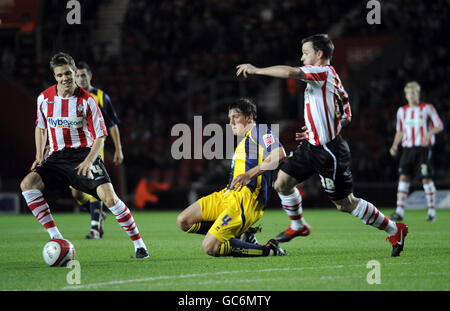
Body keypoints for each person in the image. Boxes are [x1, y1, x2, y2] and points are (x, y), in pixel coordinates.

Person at [236, 34, 408, 257]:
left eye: (306, 53)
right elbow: (346, 114)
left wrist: (256, 69)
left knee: (345, 203)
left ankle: (395, 229)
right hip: (311, 145)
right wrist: (317, 127)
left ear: (319, 55)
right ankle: (298, 226)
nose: (302, 57)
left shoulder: (322, 72)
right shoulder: (333, 78)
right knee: (282, 184)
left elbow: (291, 72)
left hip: (329, 152)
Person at [19, 52, 149, 258]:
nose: (65, 78)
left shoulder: (88, 101)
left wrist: (89, 161)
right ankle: (56, 238)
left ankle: (139, 244)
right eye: (60, 75)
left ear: (75, 72)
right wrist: (39, 155)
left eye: (69, 73)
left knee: (110, 198)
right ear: (55, 76)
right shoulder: (44, 99)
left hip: (83, 154)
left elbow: (100, 136)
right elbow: (40, 127)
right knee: (28, 185)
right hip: (57, 158)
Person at [176, 98, 287, 257]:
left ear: (249, 117)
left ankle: (269, 250)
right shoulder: (245, 140)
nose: (231, 122)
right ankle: (241, 235)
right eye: (229, 118)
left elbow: (279, 154)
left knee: (210, 247)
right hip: (228, 195)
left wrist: (249, 174)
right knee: (183, 221)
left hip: (246, 199)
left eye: (235, 116)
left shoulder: (259, 131)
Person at [73, 61, 124, 239]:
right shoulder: (70, 97)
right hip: (75, 148)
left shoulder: (102, 97)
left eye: (83, 75)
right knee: (77, 193)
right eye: (77, 75)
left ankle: (96, 228)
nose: (80, 79)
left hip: (95, 146)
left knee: (93, 183)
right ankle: (97, 213)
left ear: (90, 76)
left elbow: (112, 125)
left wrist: (118, 149)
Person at [389, 81, 443, 222]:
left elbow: (439, 125)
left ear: (418, 94)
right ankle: (399, 211)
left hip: (423, 149)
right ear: (406, 95)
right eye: (409, 93)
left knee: (426, 178)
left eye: (414, 93)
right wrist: (394, 145)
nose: (412, 96)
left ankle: (432, 212)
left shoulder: (427, 108)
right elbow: (400, 130)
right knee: (403, 177)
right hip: (408, 149)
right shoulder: (402, 111)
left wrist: (428, 134)